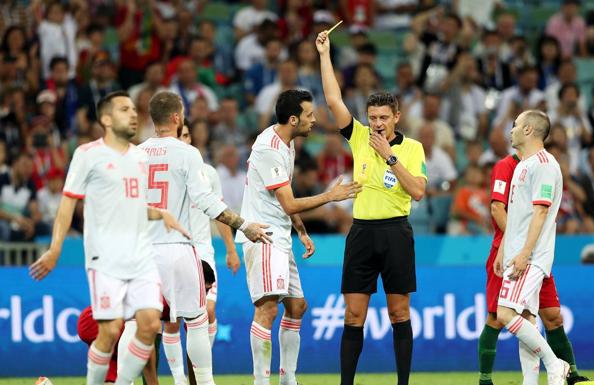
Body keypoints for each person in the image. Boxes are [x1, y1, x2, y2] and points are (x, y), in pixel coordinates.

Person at [29, 91, 189, 385]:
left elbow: (132, 206)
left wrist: (159, 214)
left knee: (150, 323)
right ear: (106, 119)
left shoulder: (140, 158)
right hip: (105, 256)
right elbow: (67, 205)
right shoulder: (88, 155)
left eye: (133, 109)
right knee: (111, 327)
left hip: (139, 255)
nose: (133, 114)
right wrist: (55, 250)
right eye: (124, 109)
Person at [137, 91, 271, 385]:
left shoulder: (135, 154)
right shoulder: (187, 153)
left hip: (143, 254)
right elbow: (206, 201)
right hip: (180, 249)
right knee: (197, 321)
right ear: (176, 117)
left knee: (140, 326)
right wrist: (244, 224)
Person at [317, 31, 427, 385]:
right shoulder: (359, 137)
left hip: (396, 231)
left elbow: (419, 192)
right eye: (372, 117)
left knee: (399, 312)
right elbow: (333, 99)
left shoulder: (413, 148)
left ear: (396, 116)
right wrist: (324, 54)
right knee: (353, 315)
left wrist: (390, 158)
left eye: (383, 117)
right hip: (362, 231)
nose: (377, 123)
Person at [235, 89, 361, 385]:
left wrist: (301, 231)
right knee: (267, 308)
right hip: (263, 235)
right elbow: (289, 203)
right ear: (293, 119)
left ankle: (288, 378)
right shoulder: (270, 149)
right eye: (309, 115)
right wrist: (331, 196)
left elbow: (284, 200)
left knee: (297, 306)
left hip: (279, 234)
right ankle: (261, 381)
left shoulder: (284, 142)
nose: (314, 120)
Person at [477, 148, 594, 385]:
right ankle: (486, 380)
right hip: (510, 253)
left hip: (536, 253)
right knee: (498, 317)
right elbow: (496, 208)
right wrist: (514, 243)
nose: (513, 132)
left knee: (551, 316)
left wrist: (529, 245)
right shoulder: (506, 166)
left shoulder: (540, 166)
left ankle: (571, 376)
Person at [159, 120, 242, 385]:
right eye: (178, 135)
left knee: (208, 311)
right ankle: (179, 380)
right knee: (171, 320)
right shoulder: (162, 172)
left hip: (202, 253)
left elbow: (218, 211)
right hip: (171, 250)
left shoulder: (208, 173)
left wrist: (230, 249)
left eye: (185, 136)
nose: (182, 140)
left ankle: (201, 375)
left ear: (190, 139)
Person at [493, 110, 569, 385]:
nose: (510, 130)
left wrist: (524, 253)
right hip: (517, 252)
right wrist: (504, 250)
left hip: (531, 255)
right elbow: (517, 215)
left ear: (528, 130)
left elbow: (540, 213)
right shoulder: (524, 165)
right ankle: (530, 382)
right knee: (526, 317)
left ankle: (555, 364)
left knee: (505, 314)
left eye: (515, 125)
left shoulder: (544, 164)